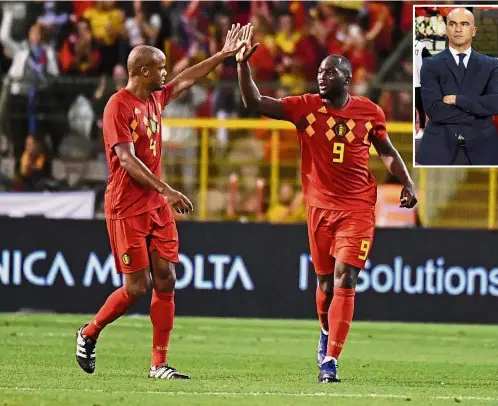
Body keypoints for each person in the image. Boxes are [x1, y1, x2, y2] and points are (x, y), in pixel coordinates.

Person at [236, 24, 417, 383]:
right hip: (319, 207)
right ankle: (324, 331)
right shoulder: (305, 108)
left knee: (345, 276)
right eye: (319, 72)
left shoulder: (369, 112)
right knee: (324, 287)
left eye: (329, 72)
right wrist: (243, 66)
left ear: (347, 78)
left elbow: (387, 152)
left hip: (357, 208)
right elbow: (255, 102)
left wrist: (407, 180)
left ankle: (330, 361)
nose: (321, 77)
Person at [75, 23, 249, 379]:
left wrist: (222, 56)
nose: (166, 73)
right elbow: (125, 159)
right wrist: (167, 189)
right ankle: (89, 332)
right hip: (126, 206)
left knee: (166, 278)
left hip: (154, 206)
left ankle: (158, 364)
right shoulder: (117, 107)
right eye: (160, 67)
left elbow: (187, 79)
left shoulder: (155, 97)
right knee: (136, 288)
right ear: (141, 71)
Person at [417, 8, 498, 165]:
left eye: (464, 24)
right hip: (438, 150)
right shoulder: (430, 64)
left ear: (474, 31)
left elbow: (495, 104)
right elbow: (434, 110)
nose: (458, 29)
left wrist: (458, 100)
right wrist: (479, 111)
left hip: (483, 150)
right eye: (453, 24)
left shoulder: (492, 65)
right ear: (446, 29)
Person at [414, 36, 431, 155]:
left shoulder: (420, 46)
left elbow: (430, 59)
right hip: (413, 81)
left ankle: (422, 128)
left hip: (420, 81)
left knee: (421, 107)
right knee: (416, 106)